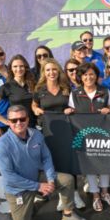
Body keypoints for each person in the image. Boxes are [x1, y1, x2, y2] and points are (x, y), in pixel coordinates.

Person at [0, 105, 88, 220]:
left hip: (37, 176)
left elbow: (46, 157)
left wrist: (51, 179)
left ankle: (68, 214)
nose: (19, 123)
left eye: (22, 119)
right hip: (18, 189)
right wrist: (39, 186)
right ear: (8, 122)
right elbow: (9, 176)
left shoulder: (36, 134)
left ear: (28, 119)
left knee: (67, 179)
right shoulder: (2, 145)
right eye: (14, 120)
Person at [32, 58, 86, 210]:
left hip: (66, 129)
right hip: (49, 132)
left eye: (54, 69)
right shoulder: (39, 90)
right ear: (44, 72)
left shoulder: (66, 88)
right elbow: (34, 104)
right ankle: (63, 197)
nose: (51, 72)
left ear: (58, 71)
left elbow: (74, 105)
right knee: (54, 163)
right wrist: (36, 109)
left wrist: (70, 110)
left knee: (70, 161)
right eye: (48, 70)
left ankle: (75, 194)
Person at [67, 62, 110, 212]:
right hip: (85, 137)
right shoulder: (75, 94)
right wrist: (68, 111)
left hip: (103, 134)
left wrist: (109, 110)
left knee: (105, 164)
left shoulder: (105, 91)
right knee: (89, 167)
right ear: (81, 77)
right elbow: (72, 111)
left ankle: (105, 192)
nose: (88, 77)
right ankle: (95, 195)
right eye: (85, 75)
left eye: (91, 74)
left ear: (96, 76)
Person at [0, 54, 36, 128]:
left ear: (25, 68)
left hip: (34, 125)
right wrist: (5, 121)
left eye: (21, 66)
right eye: (15, 66)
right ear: (11, 69)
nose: (18, 69)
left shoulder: (32, 84)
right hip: (18, 127)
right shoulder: (7, 86)